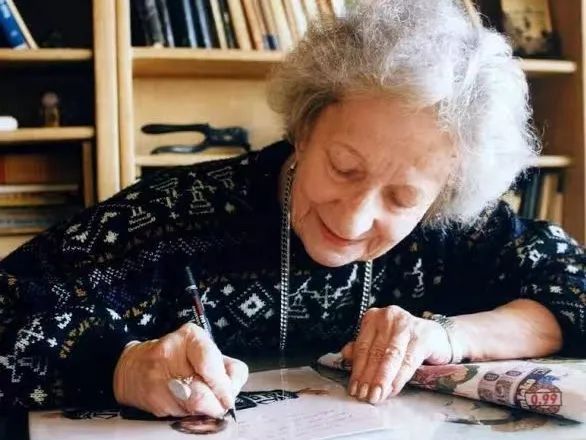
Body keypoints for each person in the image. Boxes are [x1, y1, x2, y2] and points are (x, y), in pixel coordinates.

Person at [0, 0, 584, 419]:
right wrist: (120, 365)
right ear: (303, 129)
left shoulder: (452, 230)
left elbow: (574, 288)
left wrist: (451, 337)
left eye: (402, 197)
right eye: (344, 167)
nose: (353, 220)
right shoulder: (171, 216)